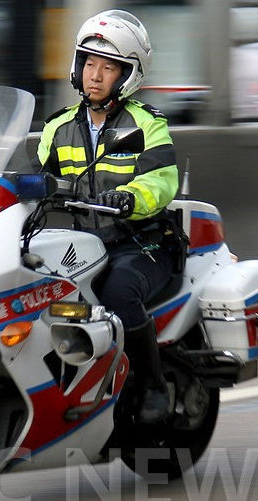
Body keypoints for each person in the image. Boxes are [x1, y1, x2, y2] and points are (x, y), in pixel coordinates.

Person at [36, 10, 179, 424]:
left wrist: (131, 199)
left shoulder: (147, 125)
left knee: (117, 292)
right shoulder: (58, 128)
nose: (95, 76)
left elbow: (161, 181)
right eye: (89, 64)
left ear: (127, 75)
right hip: (84, 245)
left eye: (108, 67)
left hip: (141, 242)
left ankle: (153, 384)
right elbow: (36, 179)